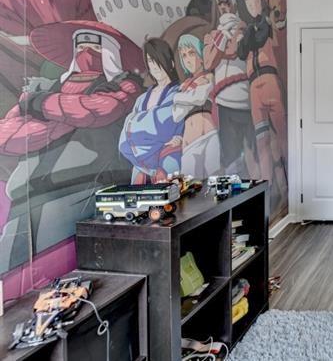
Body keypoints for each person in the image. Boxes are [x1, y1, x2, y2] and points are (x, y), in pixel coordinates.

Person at [0, 20, 143, 274]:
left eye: (95, 45)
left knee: (59, 270)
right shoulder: (45, 88)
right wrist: (53, 117)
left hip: (81, 192)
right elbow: (7, 134)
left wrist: (42, 108)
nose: (87, 52)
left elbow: (98, 110)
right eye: (81, 44)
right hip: (26, 194)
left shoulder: (123, 85)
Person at [236, 0, 287, 202]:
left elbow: (257, 40)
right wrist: (247, 33)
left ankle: (291, 185)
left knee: (283, 136)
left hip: (270, 81)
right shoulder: (248, 29)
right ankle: (267, 191)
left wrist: (250, 32)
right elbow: (241, 51)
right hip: (254, 87)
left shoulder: (265, 24)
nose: (251, 3)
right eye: (246, 0)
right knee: (262, 141)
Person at [204, 0, 256, 176]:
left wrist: (230, 35)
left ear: (234, 5)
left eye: (226, 3)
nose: (224, 7)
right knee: (230, 156)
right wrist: (222, 37)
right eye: (220, 4)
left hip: (245, 100)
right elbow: (208, 62)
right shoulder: (213, 35)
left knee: (252, 152)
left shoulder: (244, 29)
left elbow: (235, 52)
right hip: (224, 103)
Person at [119, 38, 184, 184]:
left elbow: (164, 128)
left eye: (157, 60)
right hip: (139, 167)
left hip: (169, 161)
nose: (154, 66)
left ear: (170, 62)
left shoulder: (180, 92)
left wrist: (135, 124)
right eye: (150, 61)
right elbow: (124, 140)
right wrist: (148, 124)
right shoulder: (141, 99)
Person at [173, 34, 220, 178]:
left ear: (200, 54)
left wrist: (179, 98)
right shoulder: (183, 86)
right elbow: (177, 115)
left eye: (191, 53)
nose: (188, 59)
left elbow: (200, 98)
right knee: (191, 191)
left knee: (214, 184)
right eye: (184, 55)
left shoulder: (209, 77)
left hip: (209, 136)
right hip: (189, 144)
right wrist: (183, 96)